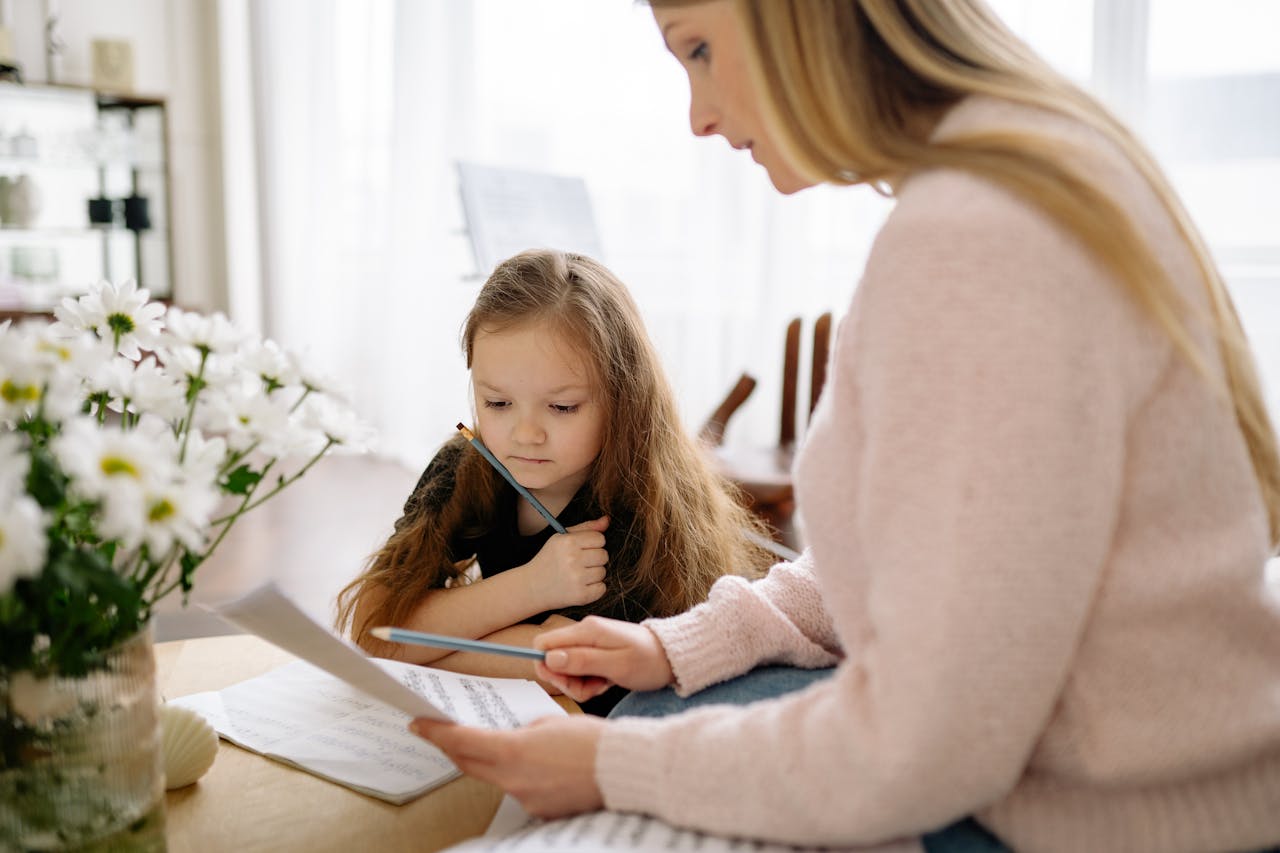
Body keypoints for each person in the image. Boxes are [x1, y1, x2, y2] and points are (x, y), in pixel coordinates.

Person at [409, 1, 1280, 851]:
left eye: (700, 48)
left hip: (1103, 815)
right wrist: (677, 643)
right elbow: (914, 561)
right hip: (1068, 772)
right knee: (660, 702)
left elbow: (920, 748)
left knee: (613, 753)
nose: (697, 116)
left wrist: (612, 766)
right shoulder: (1001, 185)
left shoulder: (975, 242)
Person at [335, 248, 775, 714]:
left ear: (624, 399)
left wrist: (441, 639)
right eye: (497, 403)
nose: (525, 435)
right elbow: (376, 630)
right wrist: (532, 587)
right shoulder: (467, 464)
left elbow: (567, 665)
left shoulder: (643, 503)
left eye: (562, 407)